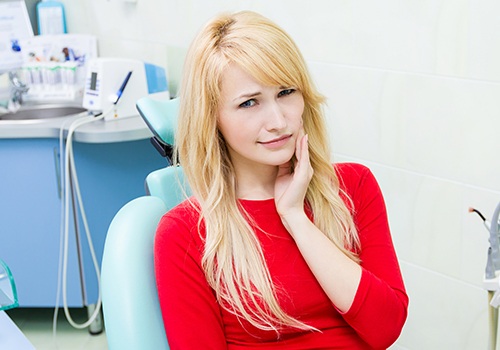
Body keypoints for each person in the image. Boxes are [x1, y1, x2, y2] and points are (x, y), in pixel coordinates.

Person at [154, 10, 408, 349]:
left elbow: (385, 328)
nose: (278, 121)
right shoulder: (185, 234)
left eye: (286, 92)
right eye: (249, 103)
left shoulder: (354, 186)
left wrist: (294, 217)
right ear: (212, 118)